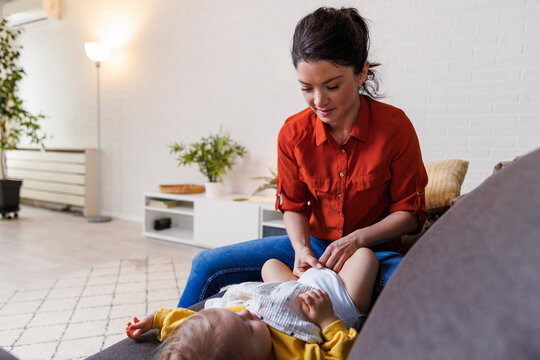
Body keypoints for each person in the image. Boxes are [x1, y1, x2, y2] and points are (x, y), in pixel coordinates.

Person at [177, 6, 428, 309]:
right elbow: (293, 204)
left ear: (361, 72)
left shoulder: (395, 127)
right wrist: (300, 248)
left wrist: (358, 239)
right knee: (206, 264)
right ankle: (176, 341)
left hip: (375, 251)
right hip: (315, 247)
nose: (319, 101)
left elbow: (409, 215)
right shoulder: (293, 133)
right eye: (307, 88)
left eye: (332, 86)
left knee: (422, 290)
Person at [126, 248, 378, 359]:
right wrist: (327, 320)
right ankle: (355, 301)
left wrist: (157, 318)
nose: (247, 313)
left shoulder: (231, 325)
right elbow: (339, 357)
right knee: (366, 257)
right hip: (333, 298)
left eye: (238, 316)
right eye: (247, 327)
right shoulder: (294, 355)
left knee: (270, 265)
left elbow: (192, 325)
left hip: (287, 289)